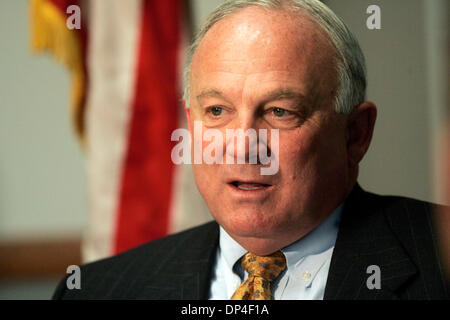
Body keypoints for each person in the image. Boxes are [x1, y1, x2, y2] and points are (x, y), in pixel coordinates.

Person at [53, 0, 449, 300]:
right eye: (217, 111)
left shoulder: (439, 265)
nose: (243, 146)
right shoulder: (97, 291)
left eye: (279, 111)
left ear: (355, 135)